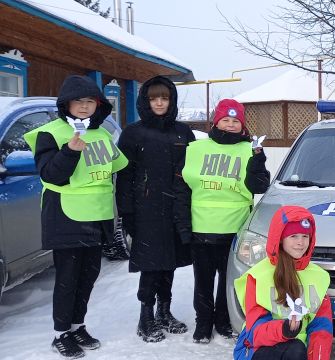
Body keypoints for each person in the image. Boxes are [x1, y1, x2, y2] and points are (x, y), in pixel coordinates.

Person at [23, 75, 128, 359]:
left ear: (98, 105)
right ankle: (61, 333)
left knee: (88, 276)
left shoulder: (103, 134)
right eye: (77, 101)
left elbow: (118, 166)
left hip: (98, 216)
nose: (84, 107)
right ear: (66, 104)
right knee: (68, 278)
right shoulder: (51, 133)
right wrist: (70, 151)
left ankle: (78, 325)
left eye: (90, 101)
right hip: (66, 216)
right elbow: (50, 174)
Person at [174, 98, 270, 343]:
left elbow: (259, 186)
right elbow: (183, 190)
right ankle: (203, 323)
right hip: (201, 229)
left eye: (235, 121)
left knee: (230, 281)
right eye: (225, 120)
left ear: (242, 125)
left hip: (235, 230)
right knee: (203, 282)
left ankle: (224, 320)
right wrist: (184, 226)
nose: (230, 125)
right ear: (216, 122)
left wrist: (258, 162)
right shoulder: (196, 149)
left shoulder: (250, 150)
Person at [115, 76, 196, 343]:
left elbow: (193, 173)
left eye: (164, 98)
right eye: (154, 98)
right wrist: (127, 213)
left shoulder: (183, 133)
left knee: (169, 262)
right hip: (146, 210)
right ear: (146, 101)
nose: (159, 102)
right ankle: (145, 316)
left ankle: (164, 311)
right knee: (151, 265)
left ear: (171, 100)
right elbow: (124, 177)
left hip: (175, 208)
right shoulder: (133, 133)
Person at [232, 205, 333, 360]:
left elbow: (321, 329)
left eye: (305, 236)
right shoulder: (259, 276)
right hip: (257, 347)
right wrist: (285, 329)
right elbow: (256, 333)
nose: (300, 242)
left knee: (297, 348)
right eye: (293, 236)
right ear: (280, 239)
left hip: (296, 349)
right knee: (295, 348)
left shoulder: (318, 276)